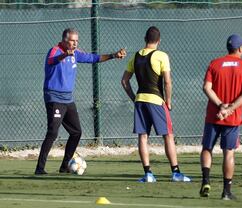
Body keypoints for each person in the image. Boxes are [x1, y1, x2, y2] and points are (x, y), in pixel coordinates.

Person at [35, 28, 127, 175]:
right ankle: (39, 169)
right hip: (54, 98)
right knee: (52, 133)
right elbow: (51, 61)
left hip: (68, 99)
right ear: (65, 40)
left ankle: (65, 166)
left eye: (77, 41)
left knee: (76, 132)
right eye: (72, 41)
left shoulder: (75, 53)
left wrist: (113, 55)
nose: (75, 43)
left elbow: (93, 58)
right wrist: (65, 55)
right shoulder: (55, 51)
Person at [121, 26, 191, 183]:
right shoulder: (161, 55)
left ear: (145, 39)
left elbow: (124, 81)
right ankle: (176, 173)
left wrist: (134, 98)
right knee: (168, 135)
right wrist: (169, 101)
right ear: (159, 41)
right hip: (156, 101)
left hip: (140, 101)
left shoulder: (136, 56)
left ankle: (148, 174)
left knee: (143, 136)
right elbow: (167, 81)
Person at [199, 34, 242, 200]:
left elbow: (206, 88)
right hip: (232, 118)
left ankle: (206, 181)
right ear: (239, 49)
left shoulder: (214, 63)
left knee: (207, 148)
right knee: (228, 153)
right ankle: (226, 192)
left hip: (213, 115)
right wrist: (229, 109)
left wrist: (220, 105)